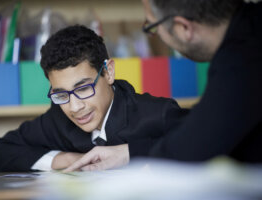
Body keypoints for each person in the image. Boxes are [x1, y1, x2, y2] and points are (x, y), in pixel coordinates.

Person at [64, 0, 262, 172]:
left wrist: (136, 154)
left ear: (184, 28)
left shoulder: (243, 56)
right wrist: (130, 152)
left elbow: (201, 142)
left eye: (152, 26)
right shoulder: (251, 25)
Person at [0, 25, 187, 172]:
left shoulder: (158, 113)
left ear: (108, 72)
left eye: (83, 88)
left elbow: (210, 147)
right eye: (61, 93)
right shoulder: (58, 118)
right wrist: (64, 159)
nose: (74, 107)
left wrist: (131, 153)